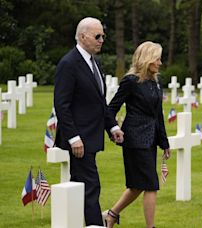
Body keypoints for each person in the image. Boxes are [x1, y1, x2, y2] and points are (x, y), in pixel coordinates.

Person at [53, 17, 124, 226]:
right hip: (79, 140)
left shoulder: (94, 62)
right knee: (90, 186)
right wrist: (73, 138)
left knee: (84, 186)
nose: (102, 40)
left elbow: (100, 102)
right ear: (83, 36)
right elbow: (62, 105)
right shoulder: (69, 63)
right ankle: (96, 225)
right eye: (97, 36)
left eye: (103, 35)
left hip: (91, 136)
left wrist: (112, 126)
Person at [105, 41, 171, 228]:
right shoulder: (131, 81)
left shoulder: (155, 82)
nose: (160, 62)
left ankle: (111, 215)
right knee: (151, 184)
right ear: (147, 59)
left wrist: (164, 143)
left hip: (150, 140)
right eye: (157, 58)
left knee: (137, 185)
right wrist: (114, 129)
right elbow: (111, 109)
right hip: (134, 139)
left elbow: (158, 115)